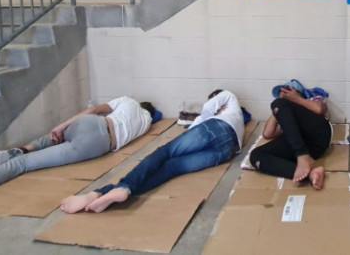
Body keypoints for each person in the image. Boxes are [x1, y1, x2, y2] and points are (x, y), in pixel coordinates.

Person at [0, 96, 159, 211]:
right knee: (23, 166)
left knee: (52, 137)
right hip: (96, 146)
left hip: (93, 124)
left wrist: (62, 125)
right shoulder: (148, 122)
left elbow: (95, 109)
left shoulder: (128, 100)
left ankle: (25, 147)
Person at [60, 89, 243, 213]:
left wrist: (209, 112)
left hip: (215, 128)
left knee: (165, 152)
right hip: (226, 151)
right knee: (171, 168)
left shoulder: (229, 96)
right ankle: (108, 193)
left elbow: (206, 110)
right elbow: (190, 124)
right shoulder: (234, 117)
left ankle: (115, 188)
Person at [249, 80, 331, 190]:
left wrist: (296, 99)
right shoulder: (285, 113)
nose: (283, 95)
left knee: (277, 104)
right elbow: (267, 134)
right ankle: (311, 173)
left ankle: (302, 156)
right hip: (304, 147)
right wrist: (277, 111)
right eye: (281, 93)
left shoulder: (313, 99)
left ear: (297, 91)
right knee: (256, 155)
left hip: (318, 135)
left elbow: (320, 110)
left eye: (286, 91)